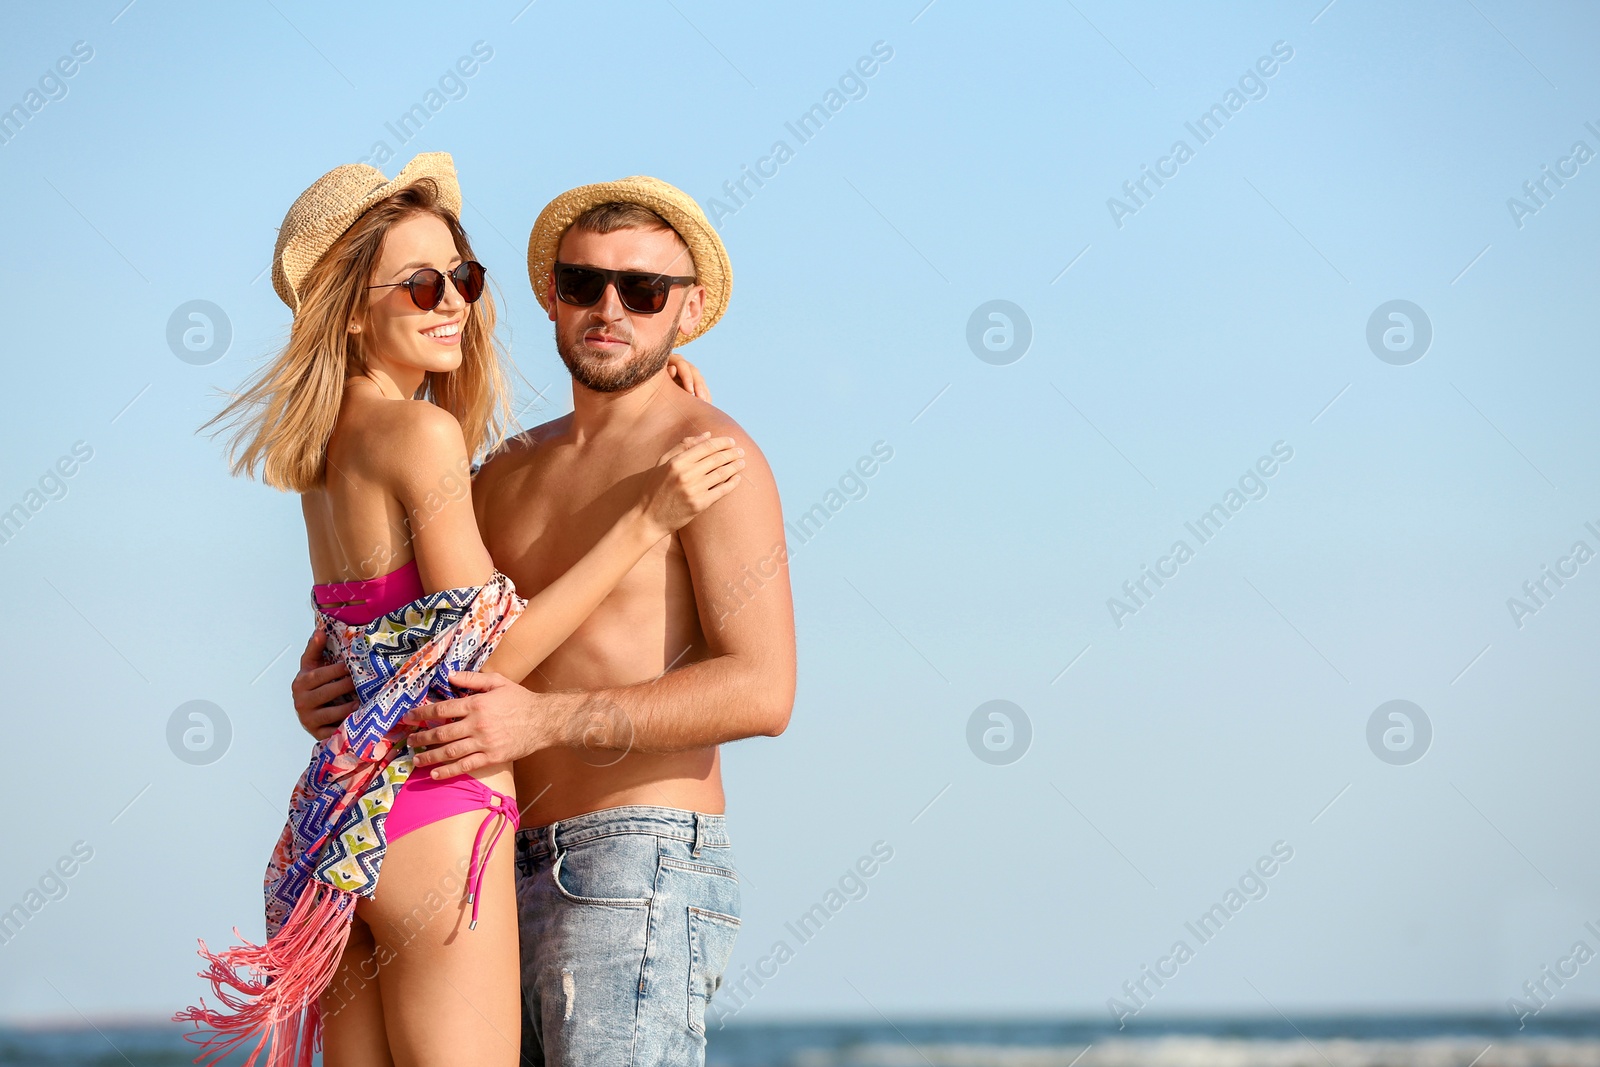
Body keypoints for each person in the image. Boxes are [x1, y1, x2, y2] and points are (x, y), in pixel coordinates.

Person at [176, 154, 744, 1067]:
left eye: (464, 278)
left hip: (336, 827)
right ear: (350, 303)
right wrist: (646, 520)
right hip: (437, 815)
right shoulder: (423, 435)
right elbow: (483, 658)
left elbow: (367, 632)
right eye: (421, 284)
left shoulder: (326, 448)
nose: (454, 304)